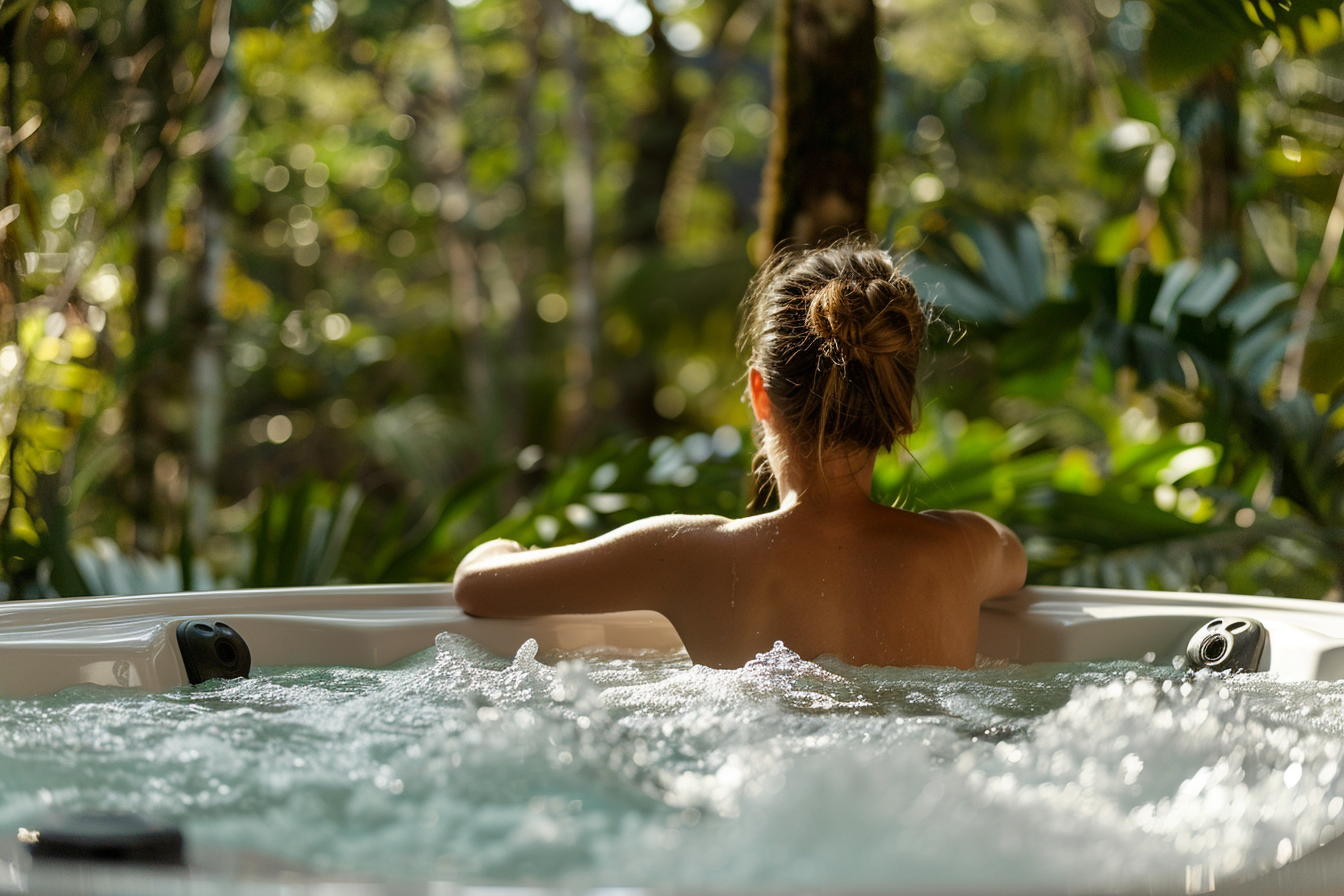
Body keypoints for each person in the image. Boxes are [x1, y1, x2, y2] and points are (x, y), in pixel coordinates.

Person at [453, 239, 1026, 669]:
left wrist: (505, 546)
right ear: (899, 404)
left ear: (759, 395)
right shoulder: (964, 551)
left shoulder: (687, 555)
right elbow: (1014, 557)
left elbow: (477, 586)